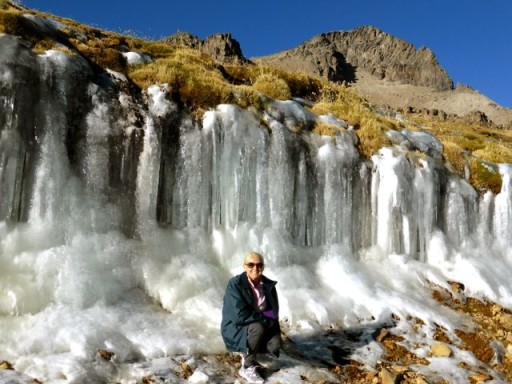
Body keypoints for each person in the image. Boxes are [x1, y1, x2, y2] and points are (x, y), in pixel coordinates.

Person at [221, 252, 282, 383]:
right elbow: (239, 316)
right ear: (244, 266)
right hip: (236, 328)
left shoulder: (268, 285)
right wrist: (265, 319)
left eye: (259, 265)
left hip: (258, 324)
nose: (255, 268)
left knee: (275, 344)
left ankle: (250, 350)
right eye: (251, 264)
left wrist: (270, 321)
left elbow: (273, 311)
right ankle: (247, 366)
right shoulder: (235, 284)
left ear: (263, 267)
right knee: (258, 328)